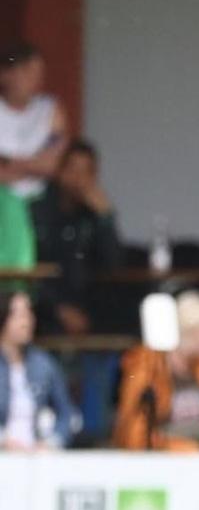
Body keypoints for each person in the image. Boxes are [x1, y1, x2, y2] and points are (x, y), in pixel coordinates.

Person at [113, 290, 199, 452]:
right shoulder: (146, 369)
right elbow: (133, 437)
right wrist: (180, 449)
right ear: (191, 331)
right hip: (158, 461)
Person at [29, 140, 122, 334]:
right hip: (44, 310)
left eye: (86, 172)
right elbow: (30, 271)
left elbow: (113, 264)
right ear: (59, 171)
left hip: (89, 309)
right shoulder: (37, 211)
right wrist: (59, 309)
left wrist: (106, 218)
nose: (78, 179)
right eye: (73, 169)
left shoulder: (93, 215)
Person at [0, 291, 76, 450]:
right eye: (20, 316)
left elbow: (67, 413)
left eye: (29, 314)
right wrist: (3, 440)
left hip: (37, 456)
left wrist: (52, 442)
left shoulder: (43, 363)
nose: (27, 322)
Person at [0, 41, 69, 202]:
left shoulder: (51, 110)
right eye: (27, 72)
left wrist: (7, 161)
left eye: (38, 73)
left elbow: (52, 164)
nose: (35, 80)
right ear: (5, 74)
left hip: (40, 198)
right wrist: (32, 166)